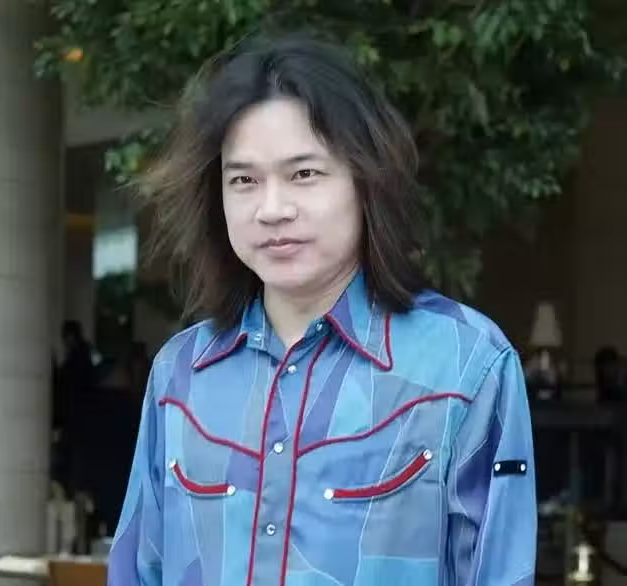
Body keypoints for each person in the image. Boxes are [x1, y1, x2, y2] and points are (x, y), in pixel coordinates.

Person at [108, 35, 536, 586]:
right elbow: (138, 569)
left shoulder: (465, 364)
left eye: (304, 174)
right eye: (243, 180)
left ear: (365, 179)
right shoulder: (181, 374)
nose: (272, 209)